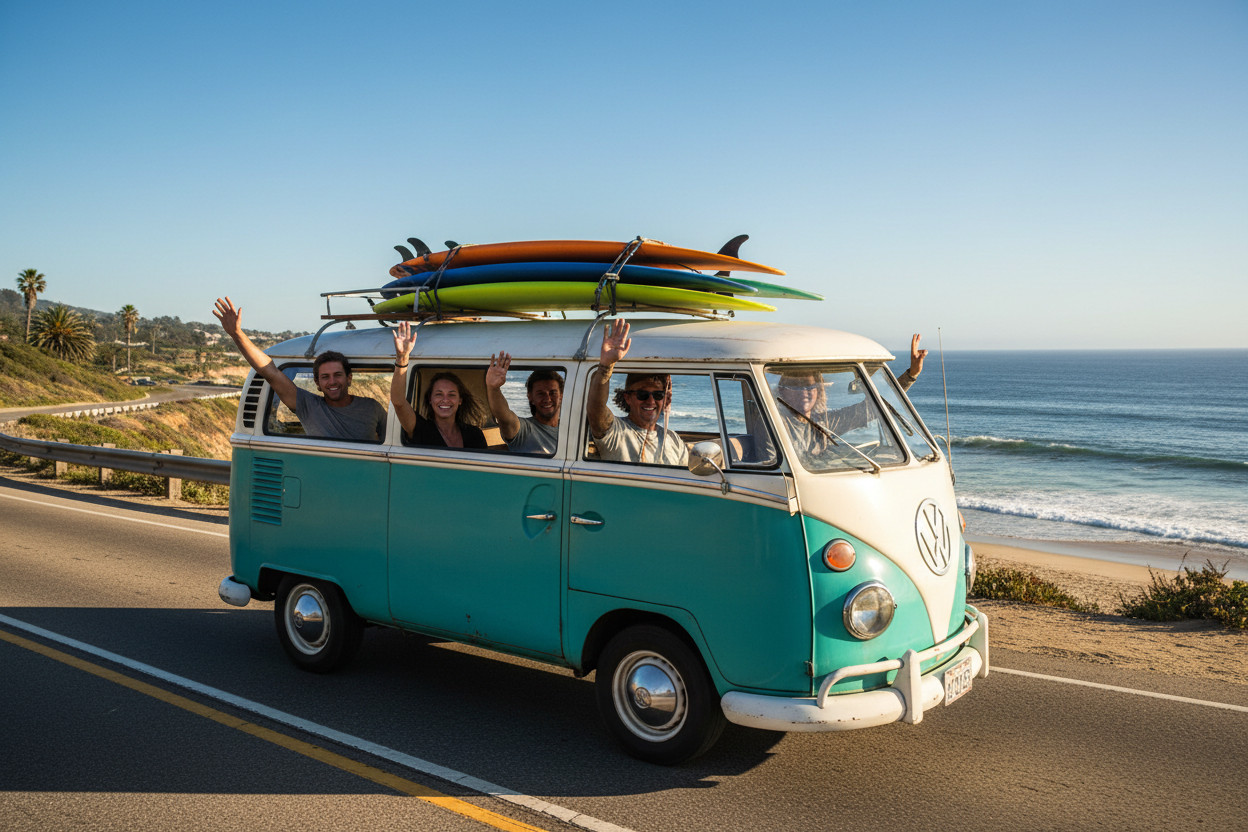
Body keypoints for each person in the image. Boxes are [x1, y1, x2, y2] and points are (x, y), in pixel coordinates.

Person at [213, 297, 386, 441]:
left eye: (338, 375)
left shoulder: (372, 407)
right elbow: (270, 371)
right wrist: (237, 334)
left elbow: (392, 444)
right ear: (317, 383)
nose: (332, 382)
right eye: (325, 377)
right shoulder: (309, 406)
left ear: (349, 378)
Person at [586, 319, 689, 466]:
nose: (651, 401)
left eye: (658, 395)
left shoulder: (673, 439)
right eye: (643, 394)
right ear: (627, 397)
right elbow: (596, 407)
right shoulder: (616, 431)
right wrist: (606, 365)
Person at [390, 321, 488, 449]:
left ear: (460, 400)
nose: (445, 399)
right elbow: (398, 402)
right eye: (439, 394)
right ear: (430, 399)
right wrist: (402, 358)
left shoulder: (474, 434)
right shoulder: (421, 429)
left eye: (451, 394)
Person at [484, 352, 563, 455]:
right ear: (530, 397)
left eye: (552, 393)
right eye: (540, 394)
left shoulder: (572, 428)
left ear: (561, 395)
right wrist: (493, 389)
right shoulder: (525, 430)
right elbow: (505, 418)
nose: (547, 398)